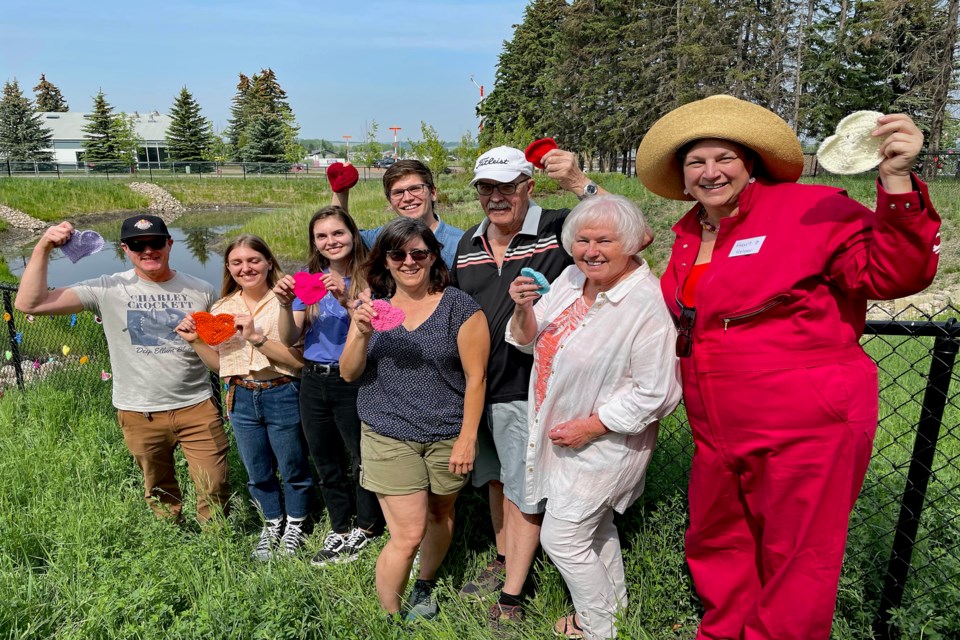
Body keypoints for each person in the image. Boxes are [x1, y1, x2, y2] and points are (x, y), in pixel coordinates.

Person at [635, 94, 941, 640]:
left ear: (750, 162)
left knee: (797, 558)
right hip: (718, 429)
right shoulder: (688, 234)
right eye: (696, 162)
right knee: (719, 543)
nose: (711, 172)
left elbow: (895, 274)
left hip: (806, 424)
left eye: (724, 157)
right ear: (681, 177)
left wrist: (896, 180)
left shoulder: (810, 210)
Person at [451, 145, 616, 628]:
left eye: (506, 187)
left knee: (526, 491)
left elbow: (632, 234)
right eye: (487, 188)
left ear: (529, 185)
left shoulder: (558, 228)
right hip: (482, 386)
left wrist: (579, 183)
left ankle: (512, 596)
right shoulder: (468, 243)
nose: (496, 197)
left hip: (532, 387)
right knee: (498, 480)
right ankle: (506, 559)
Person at [506, 195, 682, 639]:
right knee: (595, 528)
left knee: (562, 538)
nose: (591, 250)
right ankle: (616, 617)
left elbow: (657, 391)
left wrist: (593, 425)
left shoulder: (645, 304)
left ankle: (596, 628)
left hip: (605, 443)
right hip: (560, 431)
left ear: (630, 245)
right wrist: (523, 308)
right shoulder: (569, 279)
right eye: (582, 240)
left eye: (605, 240)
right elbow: (527, 341)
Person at [15, 215, 231, 523]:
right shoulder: (107, 288)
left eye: (155, 242)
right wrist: (44, 247)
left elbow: (218, 348)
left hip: (197, 407)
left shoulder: (201, 290)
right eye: (137, 245)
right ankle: (171, 540)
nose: (148, 251)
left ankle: (218, 546)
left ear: (169, 244)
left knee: (215, 485)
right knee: (159, 490)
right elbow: (28, 304)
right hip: (138, 411)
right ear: (124, 250)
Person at [339, 217, 489, 621]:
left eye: (418, 253)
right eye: (398, 254)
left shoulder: (460, 307)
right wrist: (360, 332)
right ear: (384, 260)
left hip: (445, 432)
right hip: (388, 432)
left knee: (441, 514)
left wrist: (466, 438)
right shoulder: (374, 307)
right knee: (406, 534)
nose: (409, 261)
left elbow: (477, 377)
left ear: (433, 256)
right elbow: (349, 373)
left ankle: (424, 583)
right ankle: (389, 618)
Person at [175, 235, 313, 559]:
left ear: (268, 262)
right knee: (258, 471)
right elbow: (222, 365)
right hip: (241, 397)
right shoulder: (222, 308)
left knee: (293, 467)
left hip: (282, 391)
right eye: (237, 262)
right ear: (228, 267)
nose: (245, 268)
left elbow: (298, 363)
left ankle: (295, 525)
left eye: (253, 260)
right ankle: (272, 523)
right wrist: (196, 341)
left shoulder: (289, 299)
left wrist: (256, 338)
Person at [272, 205, 386, 566]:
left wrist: (346, 300)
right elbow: (291, 337)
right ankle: (339, 524)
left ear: (353, 234)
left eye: (338, 233)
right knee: (324, 457)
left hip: (354, 379)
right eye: (322, 236)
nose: (331, 241)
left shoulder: (374, 278)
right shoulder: (309, 279)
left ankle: (367, 525)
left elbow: (380, 329)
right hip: (313, 378)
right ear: (314, 243)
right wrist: (284, 304)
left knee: (360, 456)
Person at [333, 159, 464, 267]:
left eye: (415, 189)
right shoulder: (381, 238)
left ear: (433, 193)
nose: (407, 198)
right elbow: (339, 236)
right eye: (398, 192)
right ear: (389, 200)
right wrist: (341, 190)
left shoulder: (460, 244)